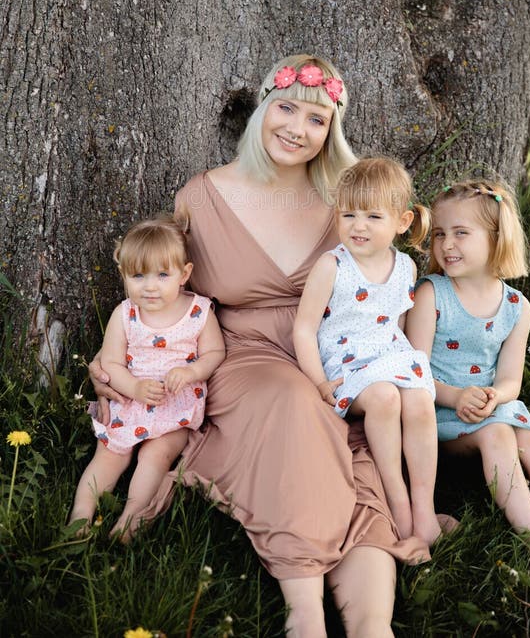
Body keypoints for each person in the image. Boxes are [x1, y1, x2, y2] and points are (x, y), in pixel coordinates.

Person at [89, 54, 455, 638]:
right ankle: (304, 607)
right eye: (286, 108)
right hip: (246, 356)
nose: (297, 130)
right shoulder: (203, 197)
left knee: (359, 460)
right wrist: (115, 360)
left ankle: (371, 624)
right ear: (263, 106)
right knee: (293, 409)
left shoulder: (347, 198)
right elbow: (162, 293)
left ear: (331, 129)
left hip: (342, 356)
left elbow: (391, 282)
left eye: (317, 120)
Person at [405, 179, 530, 612]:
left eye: (461, 233)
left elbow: (512, 380)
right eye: (439, 234)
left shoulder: (516, 306)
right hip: (436, 415)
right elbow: (413, 371)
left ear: (496, 240)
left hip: (488, 409)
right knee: (498, 435)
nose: (446, 245)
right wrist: (456, 397)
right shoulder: (431, 294)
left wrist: (494, 396)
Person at [293, 156, 441, 546]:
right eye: (349, 214)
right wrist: (320, 383)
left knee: (420, 402)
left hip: (391, 354)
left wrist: (411, 368)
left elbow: (400, 325)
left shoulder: (406, 267)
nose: (358, 226)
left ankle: (424, 507)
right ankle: (398, 503)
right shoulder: (331, 266)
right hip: (348, 365)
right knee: (385, 398)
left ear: (402, 222)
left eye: (373, 217)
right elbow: (305, 329)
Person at [71, 214, 225, 540]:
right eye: (138, 276)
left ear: (184, 274)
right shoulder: (125, 314)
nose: (150, 286)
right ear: (124, 274)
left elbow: (214, 354)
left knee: (156, 456)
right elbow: (111, 363)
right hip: (131, 399)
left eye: (162, 275)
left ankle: (132, 519)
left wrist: (191, 371)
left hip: (175, 405)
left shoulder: (199, 311)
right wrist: (133, 388)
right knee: (109, 455)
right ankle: (80, 518)